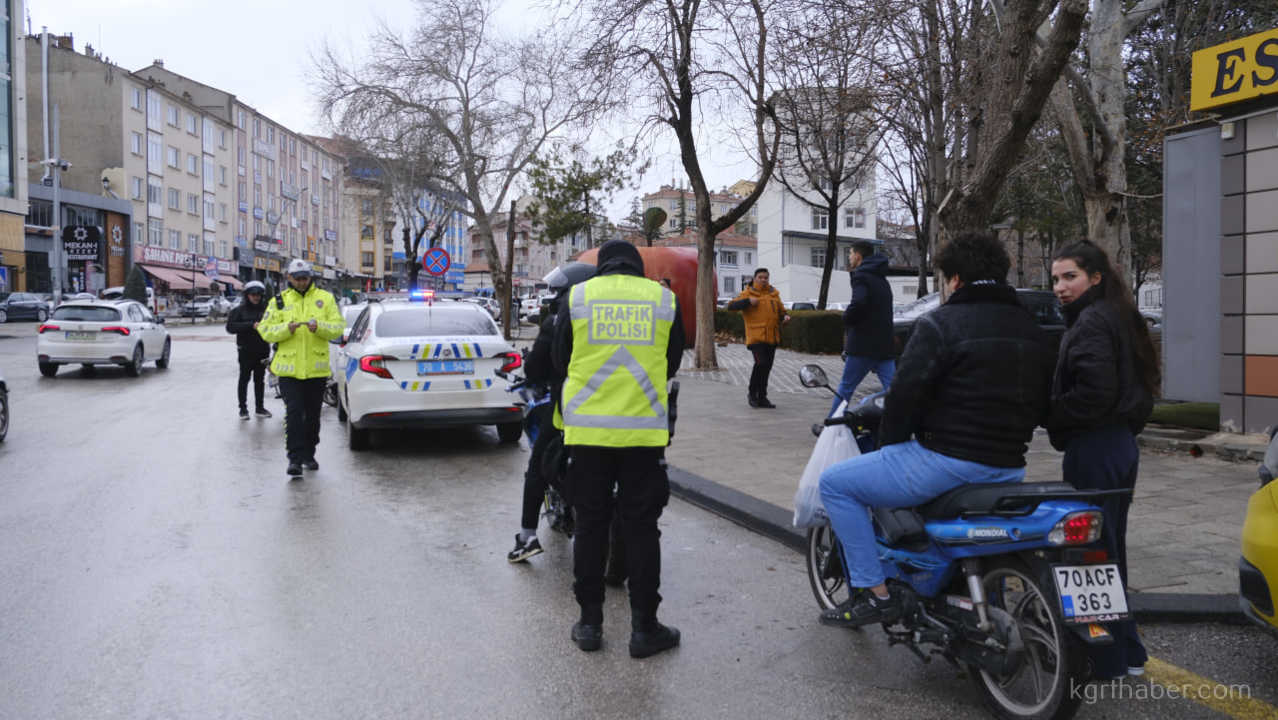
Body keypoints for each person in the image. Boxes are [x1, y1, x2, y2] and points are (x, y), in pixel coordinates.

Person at [817, 232, 1055, 627]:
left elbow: (903, 398)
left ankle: (875, 595)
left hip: (945, 461)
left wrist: (889, 443)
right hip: (1009, 467)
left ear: (955, 279)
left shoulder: (941, 324)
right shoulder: (1032, 328)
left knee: (837, 485)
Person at [551, 239, 685, 658]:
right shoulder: (663, 299)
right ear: (637, 266)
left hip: (588, 435)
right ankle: (645, 628)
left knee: (590, 526)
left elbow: (560, 359)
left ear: (603, 267)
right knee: (642, 529)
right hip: (643, 436)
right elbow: (673, 358)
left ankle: (590, 624)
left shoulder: (578, 297)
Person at [1047, 241, 1158, 680]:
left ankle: (1105, 657)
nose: (1059, 287)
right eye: (1055, 279)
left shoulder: (1092, 321)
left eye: (1069, 277)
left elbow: (1095, 392)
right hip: (1118, 445)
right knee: (1109, 547)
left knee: (1090, 551)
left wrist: (1053, 415)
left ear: (1095, 277)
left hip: (1096, 446)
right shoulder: (1117, 315)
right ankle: (1127, 651)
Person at [507, 262, 597, 563]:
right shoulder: (604, 318)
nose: (553, 296)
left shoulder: (558, 321)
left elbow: (536, 368)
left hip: (568, 407)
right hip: (616, 409)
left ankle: (527, 537)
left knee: (538, 467)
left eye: (558, 290)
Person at [257, 260, 344, 477]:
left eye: (305, 278)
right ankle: (294, 459)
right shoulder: (278, 302)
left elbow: (338, 329)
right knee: (294, 413)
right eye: (298, 278)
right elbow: (266, 330)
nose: (302, 282)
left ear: (310, 278)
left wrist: (320, 327)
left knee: (313, 416)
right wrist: (286, 329)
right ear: (289, 278)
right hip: (289, 371)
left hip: (316, 370)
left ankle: (309, 453)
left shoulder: (325, 299)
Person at [831, 241, 896, 415]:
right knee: (895, 390)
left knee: (846, 388)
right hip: (884, 345)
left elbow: (859, 303)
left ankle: (830, 425)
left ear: (858, 256)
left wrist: (846, 317)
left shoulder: (860, 275)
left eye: (850, 253)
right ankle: (905, 426)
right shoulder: (881, 278)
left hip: (862, 345)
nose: (849, 257)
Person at [726, 268, 790, 408]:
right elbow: (730, 306)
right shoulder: (748, 293)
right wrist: (748, 301)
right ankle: (752, 393)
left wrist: (784, 317)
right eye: (760, 277)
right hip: (756, 338)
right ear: (754, 279)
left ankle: (762, 397)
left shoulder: (774, 294)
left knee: (767, 367)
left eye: (766, 277)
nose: (763, 280)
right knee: (761, 364)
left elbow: (781, 311)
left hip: (772, 337)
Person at [225, 280, 273, 420]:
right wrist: (250, 325)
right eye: (253, 294)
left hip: (263, 350)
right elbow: (230, 328)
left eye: (258, 294)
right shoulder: (238, 311)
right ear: (247, 295)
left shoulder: (267, 309)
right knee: (244, 379)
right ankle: (243, 409)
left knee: (259, 380)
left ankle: (260, 408)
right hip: (245, 351)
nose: (256, 297)